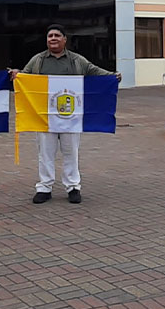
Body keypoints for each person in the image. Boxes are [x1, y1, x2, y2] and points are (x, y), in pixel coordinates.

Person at [10, 24, 120, 205]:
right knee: (45, 153)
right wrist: (16, 74)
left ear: (64, 40)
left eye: (56, 36)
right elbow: (24, 76)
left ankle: (73, 187)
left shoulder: (76, 60)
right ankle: (45, 187)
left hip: (71, 116)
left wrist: (111, 76)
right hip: (44, 116)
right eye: (50, 36)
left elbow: (93, 71)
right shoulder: (38, 60)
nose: (53, 38)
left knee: (71, 152)